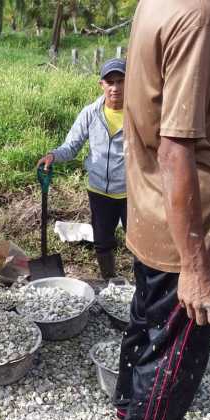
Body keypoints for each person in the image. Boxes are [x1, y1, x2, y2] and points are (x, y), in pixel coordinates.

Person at [107, 0, 210, 420]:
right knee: (177, 355)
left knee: (146, 325)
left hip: (151, 210)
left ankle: (124, 417)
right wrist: (196, 265)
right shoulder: (201, 16)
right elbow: (176, 145)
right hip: (184, 225)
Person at [37, 59, 127, 280]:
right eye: (110, 82)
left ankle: (143, 290)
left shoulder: (140, 114)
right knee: (102, 241)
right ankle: (109, 280)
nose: (115, 87)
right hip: (99, 190)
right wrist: (53, 155)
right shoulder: (90, 113)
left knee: (139, 243)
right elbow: (71, 146)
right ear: (101, 85)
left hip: (131, 191)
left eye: (120, 81)